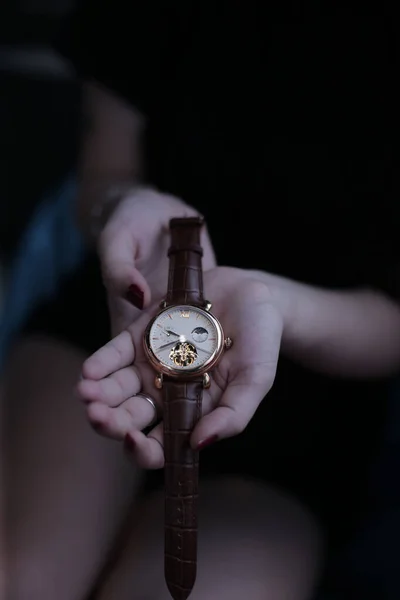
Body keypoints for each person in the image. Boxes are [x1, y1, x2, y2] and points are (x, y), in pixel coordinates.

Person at [2, 2, 400, 599]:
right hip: (120, 320)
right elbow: (105, 172)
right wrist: (128, 212)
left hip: (314, 387)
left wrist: (274, 305)